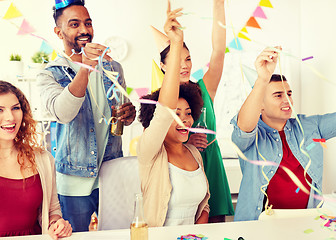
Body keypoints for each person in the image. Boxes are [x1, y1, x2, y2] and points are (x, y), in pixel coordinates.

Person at [37, 0, 136, 232]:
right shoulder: (50, 74)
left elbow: (120, 118)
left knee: (117, 236)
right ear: (58, 32)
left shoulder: (113, 68)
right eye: (74, 24)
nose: (84, 30)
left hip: (112, 174)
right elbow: (63, 113)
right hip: (72, 181)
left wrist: (129, 114)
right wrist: (86, 67)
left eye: (88, 23)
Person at [231, 47, 336, 221]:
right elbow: (243, 126)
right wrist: (263, 78)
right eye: (278, 95)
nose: (287, 100)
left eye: (288, 93)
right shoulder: (252, 136)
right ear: (260, 104)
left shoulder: (310, 126)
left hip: (306, 223)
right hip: (258, 226)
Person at [152, 0, 234, 222]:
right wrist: (187, 142)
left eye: (187, 59)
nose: (185, 65)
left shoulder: (204, 89)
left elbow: (219, 50)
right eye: (178, 60)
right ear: (163, 66)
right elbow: (155, 144)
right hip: (181, 175)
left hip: (211, 165)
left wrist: (219, 4)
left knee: (217, 228)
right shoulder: (160, 99)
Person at [137, 1, 210, 227]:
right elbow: (164, 111)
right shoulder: (151, 152)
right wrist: (176, 43)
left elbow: (204, 205)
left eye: (188, 113)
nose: (184, 120)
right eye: (176, 114)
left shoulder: (194, 153)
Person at [0, 80, 72, 240]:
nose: (10, 117)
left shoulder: (43, 159)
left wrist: (57, 224)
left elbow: (53, 211)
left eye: (16, 108)